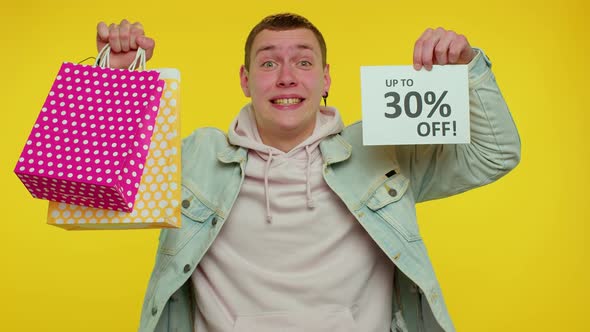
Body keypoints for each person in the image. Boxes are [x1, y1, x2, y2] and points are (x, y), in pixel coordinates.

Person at [96, 13, 520, 332]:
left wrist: (467, 68)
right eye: (267, 64)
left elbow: (494, 154)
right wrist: (112, 81)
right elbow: (94, 186)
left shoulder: (381, 149)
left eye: (302, 62)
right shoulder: (197, 159)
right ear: (245, 80)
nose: (285, 78)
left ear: (325, 79)